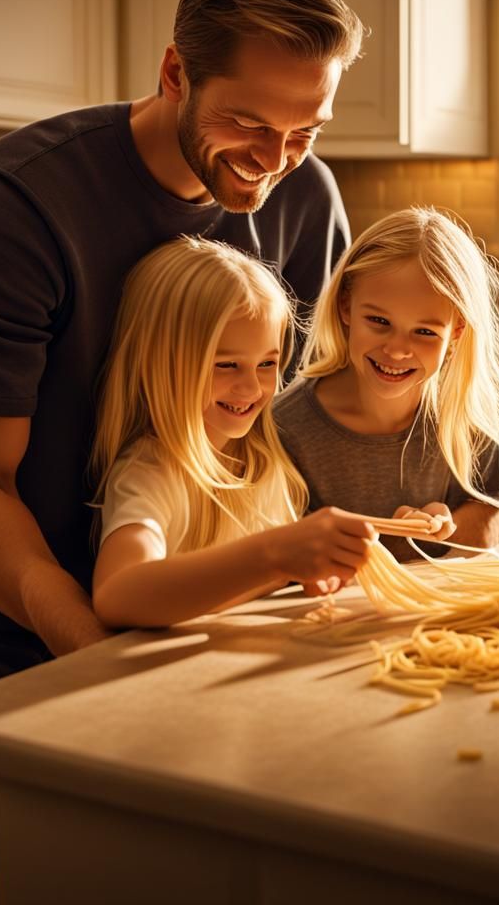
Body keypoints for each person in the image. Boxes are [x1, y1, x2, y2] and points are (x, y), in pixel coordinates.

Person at [0, 0, 363, 905]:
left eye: (304, 132)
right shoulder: (18, 203)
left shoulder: (304, 199)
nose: (273, 163)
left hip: (210, 643)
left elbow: (302, 422)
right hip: (17, 648)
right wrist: (102, 649)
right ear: (173, 73)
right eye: (246, 122)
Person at [90, 237, 374, 629]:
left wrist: (311, 566)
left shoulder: (263, 462)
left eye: (267, 363)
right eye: (226, 365)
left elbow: (264, 583)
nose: (252, 388)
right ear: (163, 364)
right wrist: (274, 555)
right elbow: (116, 595)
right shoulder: (151, 471)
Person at [274, 207, 499, 561]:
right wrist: (396, 540)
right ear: (346, 306)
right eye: (378, 320)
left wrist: (444, 528)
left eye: (424, 332)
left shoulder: (465, 412)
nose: (396, 350)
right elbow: (287, 560)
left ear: (456, 332)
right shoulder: (286, 428)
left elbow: (486, 515)